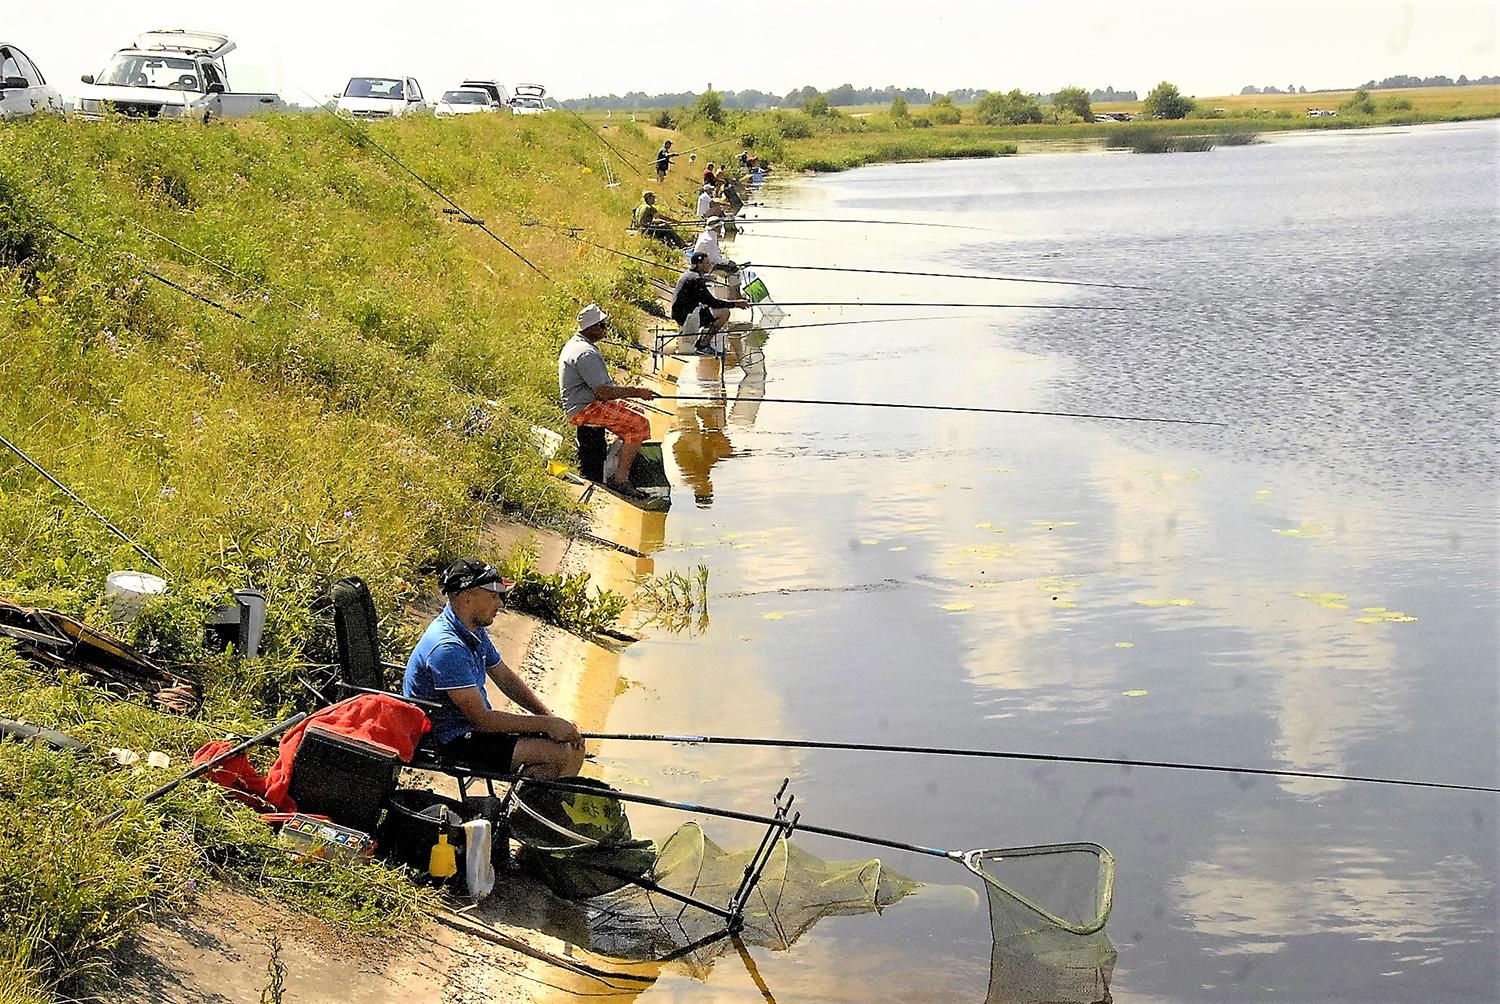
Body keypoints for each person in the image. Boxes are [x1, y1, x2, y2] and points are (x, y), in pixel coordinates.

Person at [404, 559, 585, 779]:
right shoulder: (447, 648)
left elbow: (505, 678)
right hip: (450, 741)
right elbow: (482, 720)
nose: (500, 603)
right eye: (493, 596)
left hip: (472, 730)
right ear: (467, 597)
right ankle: (528, 809)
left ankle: (530, 807)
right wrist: (547, 725)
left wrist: (552, 719)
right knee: (558, 755)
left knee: (573, 748)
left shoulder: (471, 627)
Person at [558, 303, 658, 498]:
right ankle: (620, 479)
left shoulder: (580, 345)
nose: (605, 329)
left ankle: (614, 462)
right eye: (602, 325)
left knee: (637, 414)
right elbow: (603, 392)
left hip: (588, 402)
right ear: (591, 328)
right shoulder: (586, 353)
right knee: (639, 424)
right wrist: (637, 392)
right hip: (585, 408)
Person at [672, 251, 749, 355]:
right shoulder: (697, 280)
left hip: (680, 313)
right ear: (699, 265)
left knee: (713, 311)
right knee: (724, 313)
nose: (710, 265)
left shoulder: (689, 274)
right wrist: (736, 304)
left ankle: (701, 340)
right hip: (685, 316)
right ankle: (703, 345)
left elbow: (707, 301)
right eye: (707, 263)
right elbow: (713, 302)